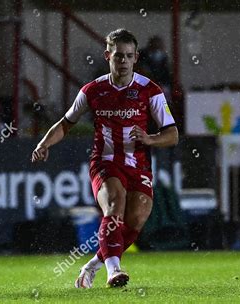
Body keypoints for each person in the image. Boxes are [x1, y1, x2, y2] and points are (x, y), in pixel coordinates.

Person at [31, 29, 178, 288]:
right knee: (114, 205)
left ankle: (92, 266)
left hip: (138, 165)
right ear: (107, 55)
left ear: (136, 58)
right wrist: (45, 143)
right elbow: (66, 123)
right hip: (105, 162)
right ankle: (114, 271)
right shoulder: (93, 90)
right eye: (118, 56)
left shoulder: (149, 90)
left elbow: (172, 134)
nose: (123, 61)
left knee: (136, 218)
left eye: (128, 56)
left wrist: (150, 139)